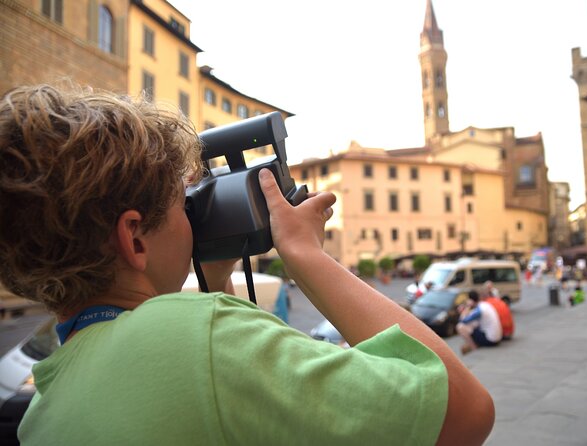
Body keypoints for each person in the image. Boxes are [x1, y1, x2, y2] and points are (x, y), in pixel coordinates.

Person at [0, 84, 494, 445]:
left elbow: (211, 406)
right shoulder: (199, 337)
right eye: (182, 202)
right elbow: (463, 411)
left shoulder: (43, 408)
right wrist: (306, 255)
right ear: (134, 238)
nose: (193, 217)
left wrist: (213, 280)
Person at [456, 290, 502, 355]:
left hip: (490, 340)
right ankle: (472, 346)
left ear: (471, 300)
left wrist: (467, 307)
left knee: (460, 327)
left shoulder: (479, 310)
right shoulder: (484, 304)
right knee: (472, 326)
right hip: (496, 338)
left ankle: (473, 347)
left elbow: (463, 321)